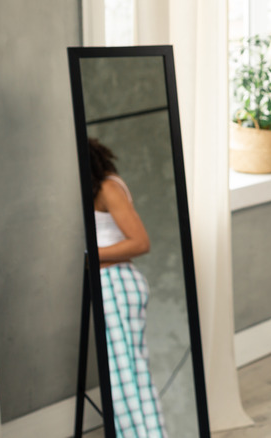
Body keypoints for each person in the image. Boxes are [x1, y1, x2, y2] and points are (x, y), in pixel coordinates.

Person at [89, 137, 167, 438]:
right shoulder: (96, 189)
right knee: (124, 381)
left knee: (128, 383)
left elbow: (140, 242)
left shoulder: (107, 187)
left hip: (116, 284)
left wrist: (88, 256)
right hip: (108, 285)